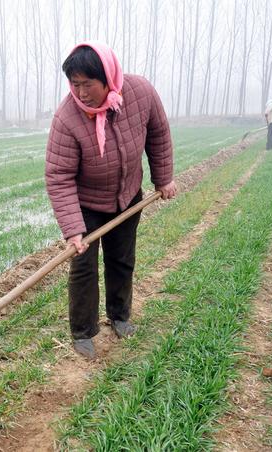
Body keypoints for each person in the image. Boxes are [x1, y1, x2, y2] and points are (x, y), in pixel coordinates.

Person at [45, 42, 176, 359]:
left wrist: (164, 178)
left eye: (87, 84)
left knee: (121, 259)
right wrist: (74, 229)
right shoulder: (67, 118)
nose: (81, 93)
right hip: (86, 203)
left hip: (128, 196)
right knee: (84, 268)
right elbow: (59, 175)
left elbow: (158, 134)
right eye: (75, 85)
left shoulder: (140, 92)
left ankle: (119, 316)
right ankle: (83, 331)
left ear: (108, 78)